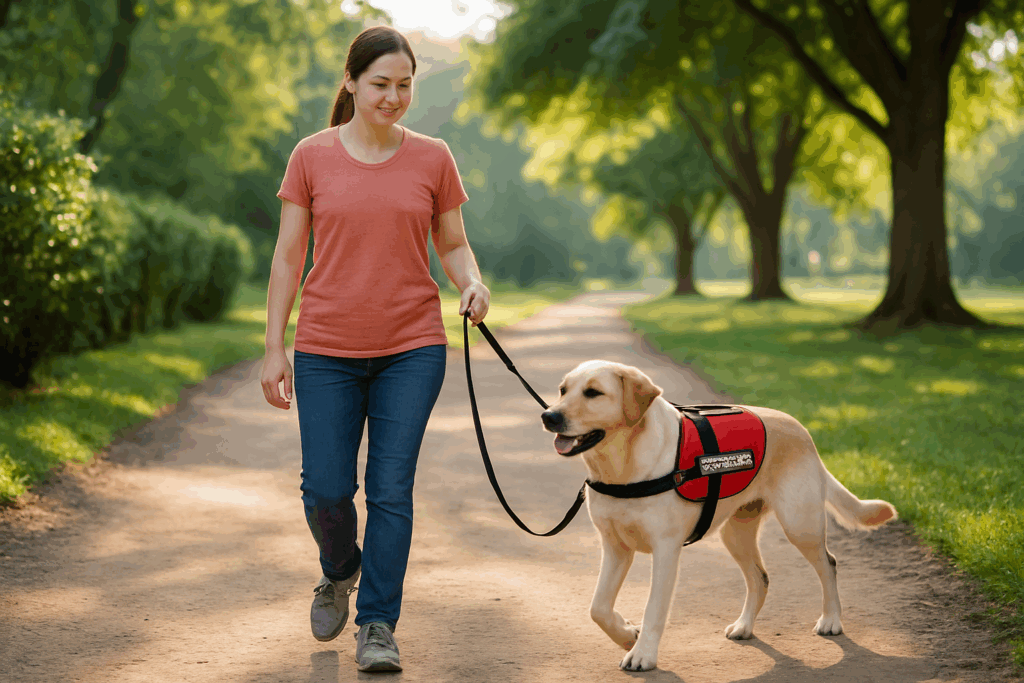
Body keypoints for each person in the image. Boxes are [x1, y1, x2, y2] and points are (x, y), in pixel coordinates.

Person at [260, 25, 489, 673]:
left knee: (391, 489)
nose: (393, 97)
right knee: (325, 488)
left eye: (405, 85)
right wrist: (274, 346)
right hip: (326, 348)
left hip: (413, 346)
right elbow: (286, 257)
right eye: (381, 84)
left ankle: (378, 623)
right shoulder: (311, 156)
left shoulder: (433, 157)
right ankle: (340, 568)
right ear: (352, 83)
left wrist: (470, 282)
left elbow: (452, 242)